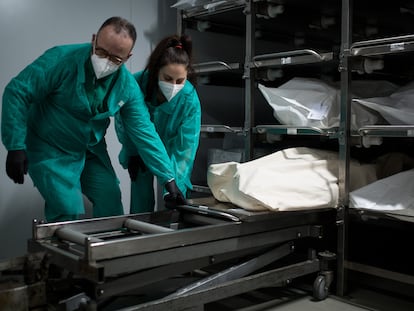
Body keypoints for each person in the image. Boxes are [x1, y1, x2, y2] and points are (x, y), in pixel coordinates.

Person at [1, 16, 185, 222]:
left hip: (89, 148)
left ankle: (106, 251)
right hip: (50, 145)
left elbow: (145, 132)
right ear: (94, 39)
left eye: (116, 59)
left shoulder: (126, 87)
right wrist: (15, 146)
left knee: (110, 198)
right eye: (102, 52)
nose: (106, 61)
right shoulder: (61, 60)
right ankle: (59, 253)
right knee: (65, 206)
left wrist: (168, 179)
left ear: (127, 57)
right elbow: (17, 91)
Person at [117, 34, 201, 213]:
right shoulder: (136, 83)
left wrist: (174, 184)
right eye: (168, 78)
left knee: (175, 194)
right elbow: (124, 123)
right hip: (140, 145)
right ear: (156, 72)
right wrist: (132, 152)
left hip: (172, 145)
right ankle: (138, 234)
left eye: (180, 81)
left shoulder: (189, 98)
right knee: (141, 198)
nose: (174, 85)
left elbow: (185, 148)